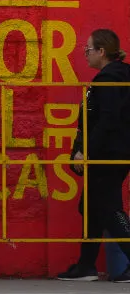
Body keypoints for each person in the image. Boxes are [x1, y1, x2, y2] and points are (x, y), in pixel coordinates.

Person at [57, 29, 130, 283]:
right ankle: (86, 265)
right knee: (89, 207)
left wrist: (85, 152)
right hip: (112, 152)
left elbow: (107, 120)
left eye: (88, 49)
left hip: (108, 154)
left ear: (102, 52)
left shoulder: (109, 79)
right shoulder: (116, 76)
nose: (85, 54)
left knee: (109, 209)